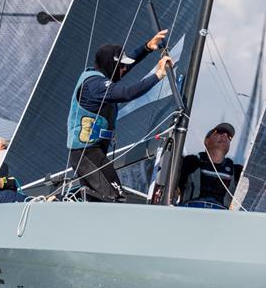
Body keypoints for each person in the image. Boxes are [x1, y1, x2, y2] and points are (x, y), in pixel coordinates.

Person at [67, 30, 171, 202]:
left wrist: (146, 48)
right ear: (111, 66)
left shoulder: (101, 76)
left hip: (92, 152)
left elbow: (123, 67)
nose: (124, 69)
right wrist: (158, 75)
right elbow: (127, 93)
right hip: (86, 154)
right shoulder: (95, 85)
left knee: (97, 200)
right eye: (121, 66)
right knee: (116, 198)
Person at [178, 122, 243, 209]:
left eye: (229, 136)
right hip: (191, 212)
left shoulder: (238, 171)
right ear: (206, 141)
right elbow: (172, 186)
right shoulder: (190, 162)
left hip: (221, 218)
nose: (224, 135)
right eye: (219, 131)